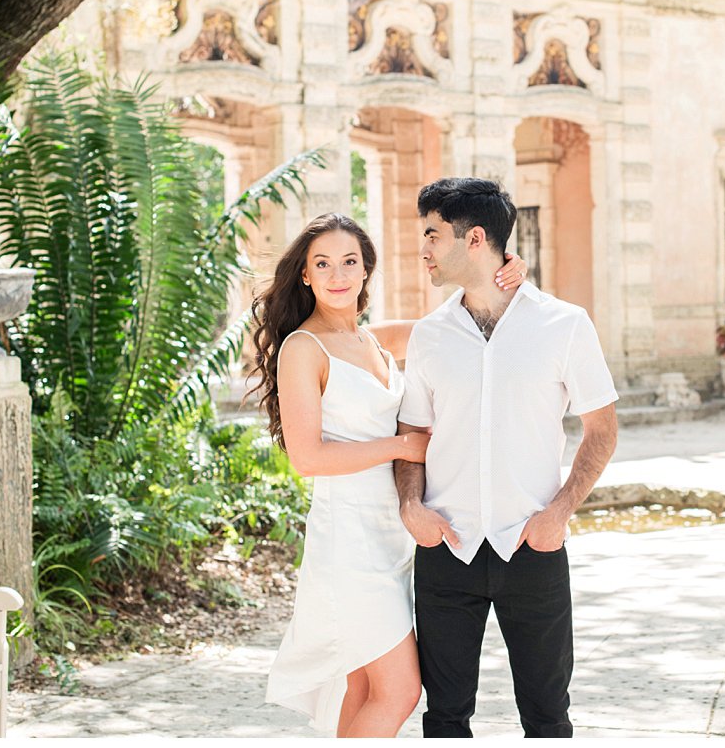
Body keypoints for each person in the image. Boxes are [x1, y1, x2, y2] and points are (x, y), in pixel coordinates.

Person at [249, 212, 525, 737]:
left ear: (366, 270)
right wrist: (402, 445)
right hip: (347, 542)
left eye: (349, 261)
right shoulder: (302, 349)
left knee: (361, 690)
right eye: (322, 264)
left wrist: (506, 271)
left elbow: (466, 324)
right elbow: (308, 458)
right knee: (400, 690)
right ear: (305, 275)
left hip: (392, 538)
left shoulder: (373, 340)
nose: (337, 275)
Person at [395, 177, 620, 738]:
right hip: (447, 548)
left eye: (432, 234)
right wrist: (410, 507)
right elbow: (412, 433)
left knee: (547, 718)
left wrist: (560, 514)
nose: (422, 248)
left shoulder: (564, 325)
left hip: (533, 544)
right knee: (444, 717)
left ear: (475, 239)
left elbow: (603, 429)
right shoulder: (428, 335)